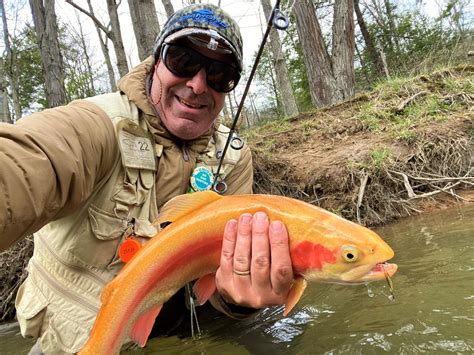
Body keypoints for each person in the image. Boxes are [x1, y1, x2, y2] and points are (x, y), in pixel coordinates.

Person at [0, 4, 294, 354]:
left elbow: (223, 284)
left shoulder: (234, 157)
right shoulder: (94, 127)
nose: (198, 84)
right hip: (89, 338)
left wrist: (242, 299)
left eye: (219, 73)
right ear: (157, 61)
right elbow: (23, 164)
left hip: (192, 325)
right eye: (183, 60)